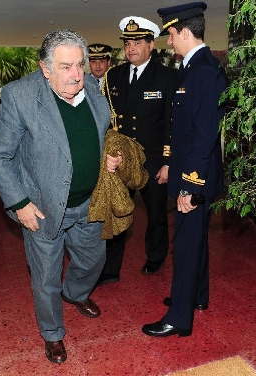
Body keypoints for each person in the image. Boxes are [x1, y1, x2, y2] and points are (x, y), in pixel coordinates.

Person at [0, 29, 121, 364]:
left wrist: (108, 158)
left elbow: (99, 134)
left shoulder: (91, 86)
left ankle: (75, 294)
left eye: (80, 64)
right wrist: (19, 204)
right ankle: (53, 334)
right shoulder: (20, 96)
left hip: (90, 201)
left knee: (94, 261)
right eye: (66, 67)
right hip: (42, 208)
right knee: (46, 278)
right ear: (45, 68)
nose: (77, 74)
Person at [142, 2, 228, 337]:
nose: (168, 41)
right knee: (197, 239)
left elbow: (205, 134)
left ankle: (178, 317)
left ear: (186, 32)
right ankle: (197, 297)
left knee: (187, 243)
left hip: (195, 176)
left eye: (171, 34)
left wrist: (190, 186)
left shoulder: (204, 71)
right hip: (188, 171)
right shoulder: (193, 67)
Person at [97, 16, 177, 286]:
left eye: (138, 42)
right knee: (117, 211)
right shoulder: (113, 76)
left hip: (152, 160)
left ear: (151, 45)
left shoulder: (166, 77)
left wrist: (168, 161)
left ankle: (156, 256)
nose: (131, 47)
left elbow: (171, 122)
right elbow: (107, 120)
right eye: (128, 42)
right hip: (120, 160)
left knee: (156, 214)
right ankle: (110, 268)